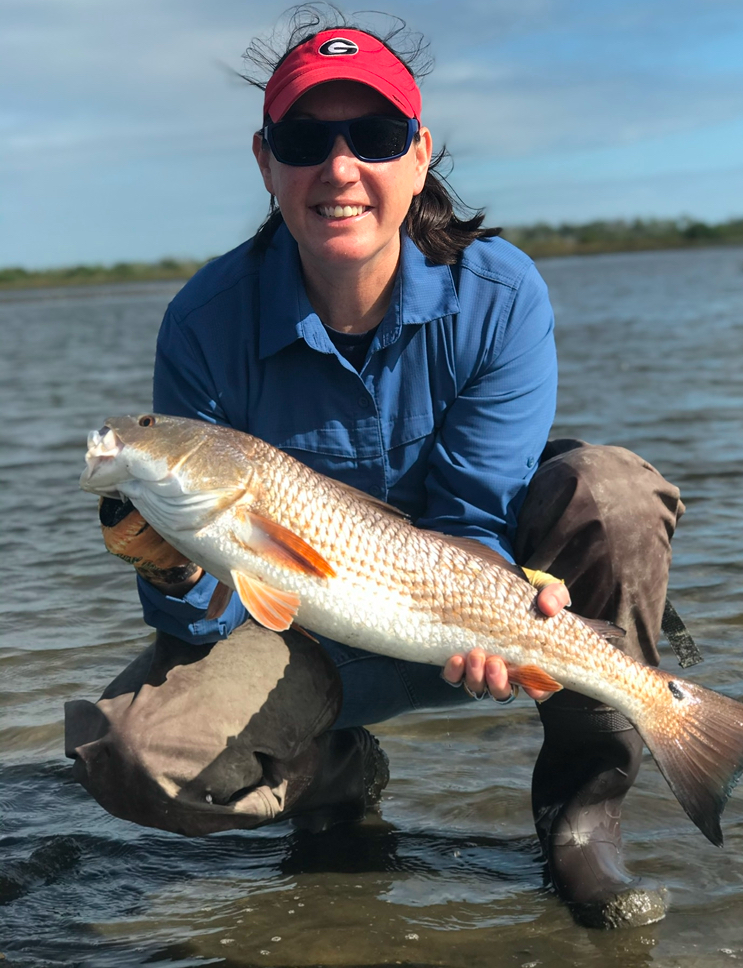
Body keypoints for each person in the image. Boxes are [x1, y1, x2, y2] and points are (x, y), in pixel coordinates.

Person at [65, 8, 684, 930]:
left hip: (456, 614)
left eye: (379, 136)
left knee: (616, 493)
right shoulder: (203, 321)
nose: (341, 168)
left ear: (421, 152)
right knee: (131, 753)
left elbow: (476, 512)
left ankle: (584, 805)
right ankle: (335, 782)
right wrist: (176, 566)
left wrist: (503, 606)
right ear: (265, 160)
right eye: (306, 139)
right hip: (300, 639)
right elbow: (209, 619)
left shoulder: (501, 292)